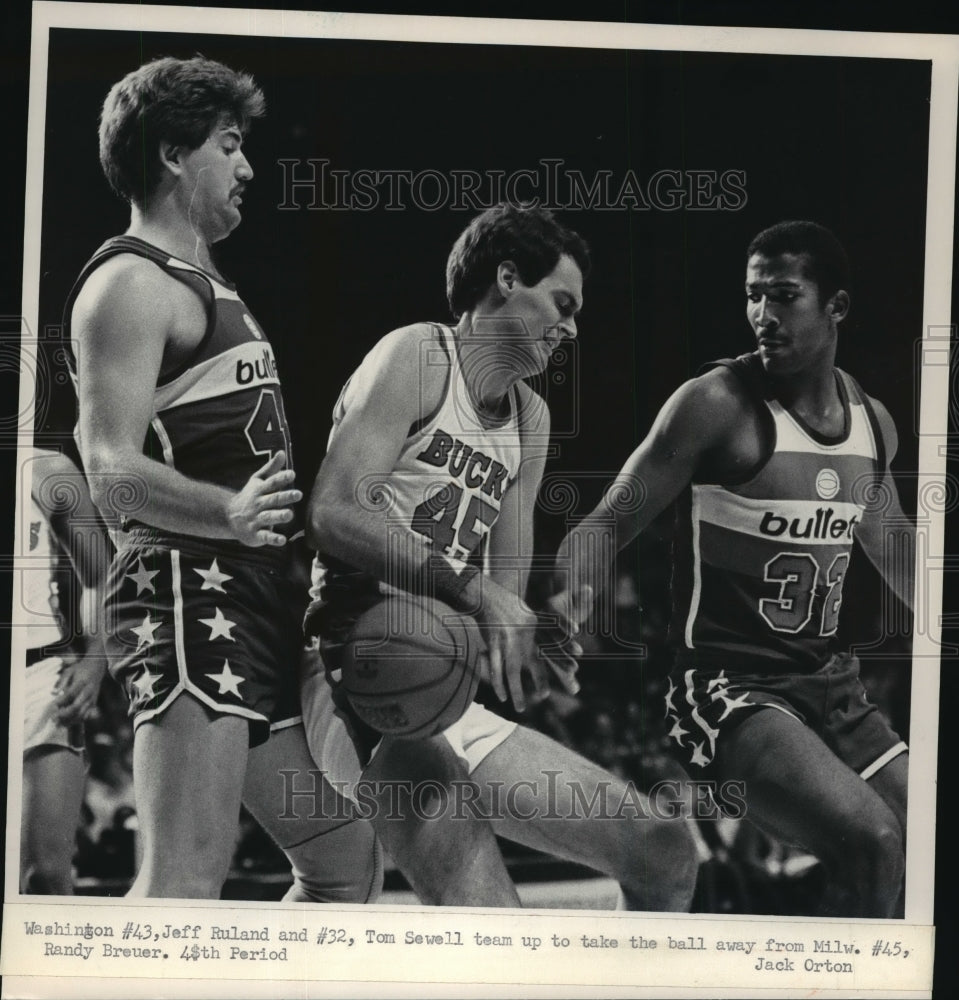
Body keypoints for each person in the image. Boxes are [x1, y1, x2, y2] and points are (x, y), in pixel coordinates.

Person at [302, 203, 699, 908]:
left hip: (440, 682)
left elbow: (503, 592)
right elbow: (332, 511)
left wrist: (526, 635)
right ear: (507, 277)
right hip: (355, 665)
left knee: (662, 850)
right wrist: (473, 594)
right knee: (493, 930)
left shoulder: (530, 417)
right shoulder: (418, 355)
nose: (572, 327)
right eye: (562, 303)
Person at [67, 55, 379, 900]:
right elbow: (109, 472)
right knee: (182, 878)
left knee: (345, 864)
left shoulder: (207, 284)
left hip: (247, 599)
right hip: (185, 590)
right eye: (231, 145)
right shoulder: (130, 284)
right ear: (173, 152)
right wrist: (230, 511)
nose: (248, 168)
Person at [551, 220, 912, 918]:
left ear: (834, 307)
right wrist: (565, 603)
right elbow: (601, 523)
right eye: (753, 296)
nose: (762, 315)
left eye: (783, 296)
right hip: (727, 689)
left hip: (830, 685)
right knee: (870, 840)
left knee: (924, 841)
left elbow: (893, 542)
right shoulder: (714, 405)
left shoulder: (871, 423)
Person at [20, 447, 111, 893]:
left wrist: (95, 662)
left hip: (41, 679)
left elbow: (104, 577)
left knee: (49, 873)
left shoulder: (46, 470)